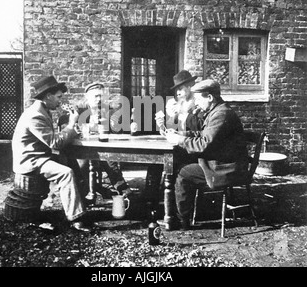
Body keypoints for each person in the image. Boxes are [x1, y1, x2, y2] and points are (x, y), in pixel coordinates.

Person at [163, 79, 249, 230]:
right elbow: (203, 134)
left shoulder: (221, 114)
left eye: (198, 99)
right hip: (222, 162)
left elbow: (204, 143)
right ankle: (186, 213)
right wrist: (182, 134)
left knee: (183, 173)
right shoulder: (217, 111)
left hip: (226, 168)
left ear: (209, 97)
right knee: (181, 165)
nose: (196, 103)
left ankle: (180, 220)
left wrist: (179, 140)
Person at [12, 75, 91, 232]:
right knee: (66, 173)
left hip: (39, 155)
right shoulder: (35, 115)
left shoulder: (42, 110)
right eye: (58, 97)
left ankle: (81, 202)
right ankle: (76, 219)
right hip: (31, 161)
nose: (60, 101)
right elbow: (54, 143)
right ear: (48, 96)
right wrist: (71, 123)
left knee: (71, 161)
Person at [59, 82, 132, 200]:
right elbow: (68, 128)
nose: (99, 99)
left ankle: (123, 189)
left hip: (102, 148)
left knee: (109, 160)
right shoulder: (79, 110)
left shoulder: (109, 110)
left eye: (101, 96)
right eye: (96, 96)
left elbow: (118, 132)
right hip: (82, 149)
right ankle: (82, 194)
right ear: (87, 98)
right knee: (82, 165)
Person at [145, 70, 203, 213]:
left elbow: (199, 132)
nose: (177, 93)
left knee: (166, 162)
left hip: (194, 151)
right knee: (154, 162)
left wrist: (185, 112)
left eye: (181, 89)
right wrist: (162, 124)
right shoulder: (178, 105)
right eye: (176, 90)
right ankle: (150, 203)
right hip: (181, 147)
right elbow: (170, 132)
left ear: (190, 87)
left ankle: (170, 210)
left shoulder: (199, 105)